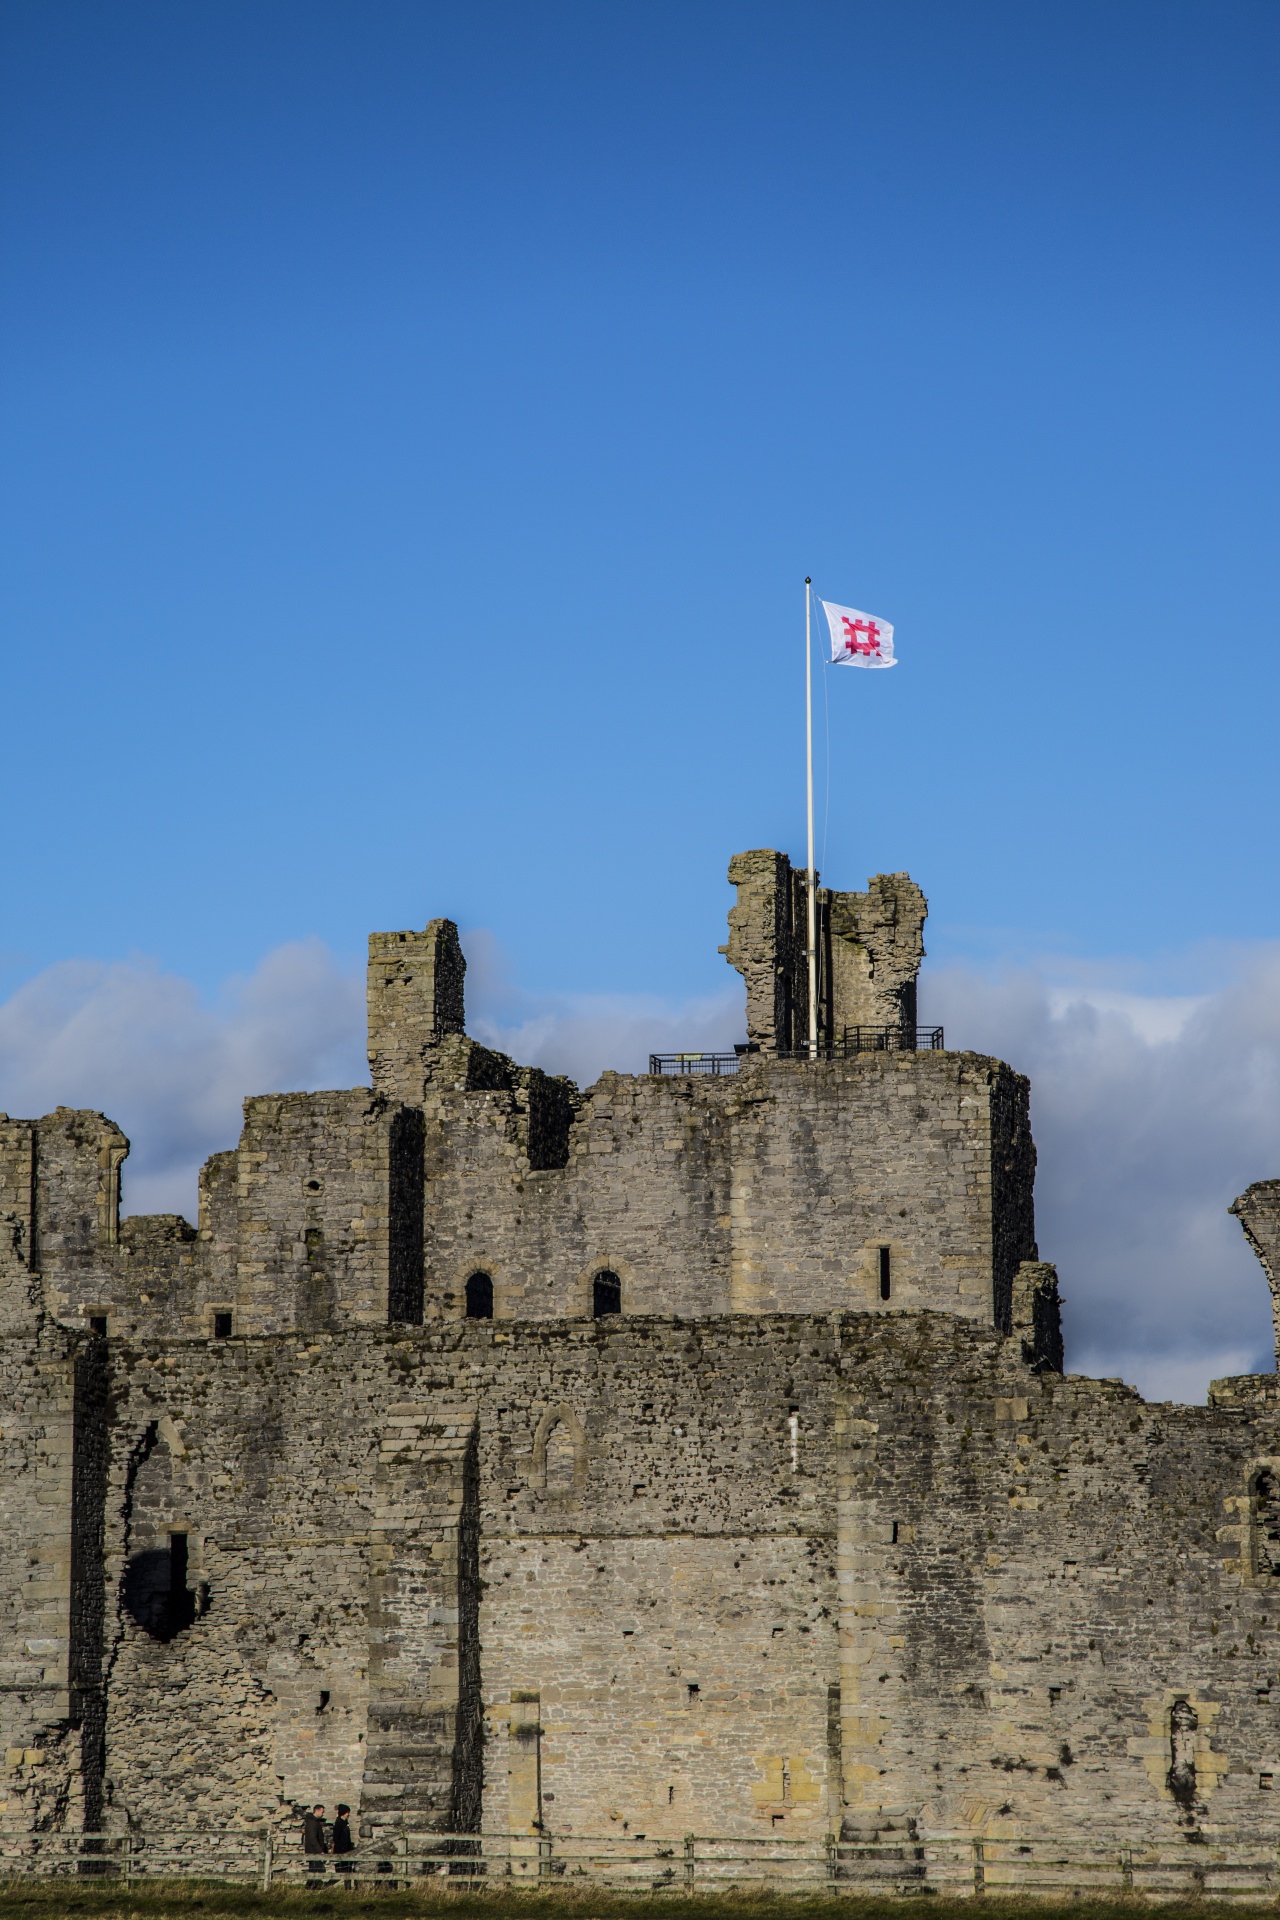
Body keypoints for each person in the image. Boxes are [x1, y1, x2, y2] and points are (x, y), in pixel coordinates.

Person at [303, 1804, 328, 1872]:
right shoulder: (312, 1822)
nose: (323, 1814)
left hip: (315, 1852)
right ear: (317, 1811)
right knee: (315, 1873)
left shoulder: (315, 1821)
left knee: (316, 1872)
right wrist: (320, 1851)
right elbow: (313, 1839)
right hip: (314, 1852)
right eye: (322, 1812)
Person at [332, 1804, 354, 1872]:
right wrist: (342, 1848)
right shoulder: (338, 1824)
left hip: (346, 1851)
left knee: (347, 1870)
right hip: (341, 1851)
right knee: (341, 1870)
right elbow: (336, 1838)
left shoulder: (345, 1823)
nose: (348, 1814)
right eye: (347, 1812)